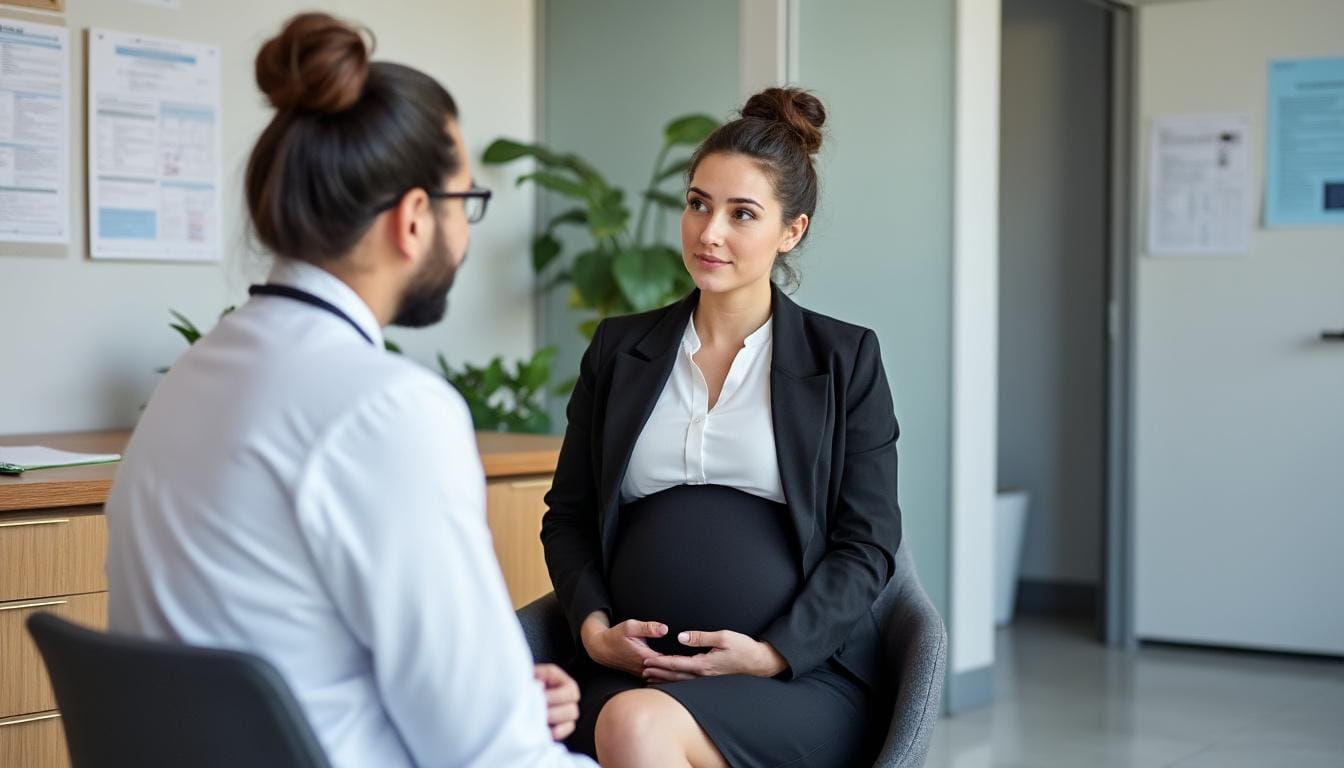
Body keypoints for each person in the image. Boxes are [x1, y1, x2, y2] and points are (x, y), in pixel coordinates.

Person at [104, 13, 593, 768]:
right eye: (467, 204)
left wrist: (495, 692)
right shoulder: (387, 409)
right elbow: (493, 758)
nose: (465, 238)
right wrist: (503, 722)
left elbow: (272, 647)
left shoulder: (197, 376)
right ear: (414, 218)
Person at [541, 87, 903, 767]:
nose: (709, 232)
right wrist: (592, 631)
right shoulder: (619, 350)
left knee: (636, 728)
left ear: (790, 231)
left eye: (742, 214)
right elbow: (569, 515)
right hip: (624, 671)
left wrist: (772, 653)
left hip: (792, 681)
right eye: (698, 203)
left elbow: (869, 541)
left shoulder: (843, 360)